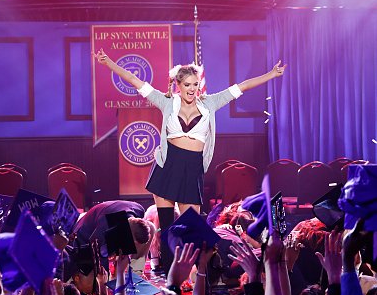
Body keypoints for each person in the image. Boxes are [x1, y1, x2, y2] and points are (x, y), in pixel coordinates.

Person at [94, 48, 287, 268]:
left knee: (192, 227)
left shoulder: (210, 103)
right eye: (187, 85)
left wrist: (272, 74)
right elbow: (134, 79)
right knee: (167, 228)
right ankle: (170, 275)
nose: (192, 89)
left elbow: (242, 86)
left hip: (192, 168)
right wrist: (108, 62)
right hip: (168, 167)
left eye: (195, 84)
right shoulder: (167, 102)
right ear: (178, 84)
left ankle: (199, 273)